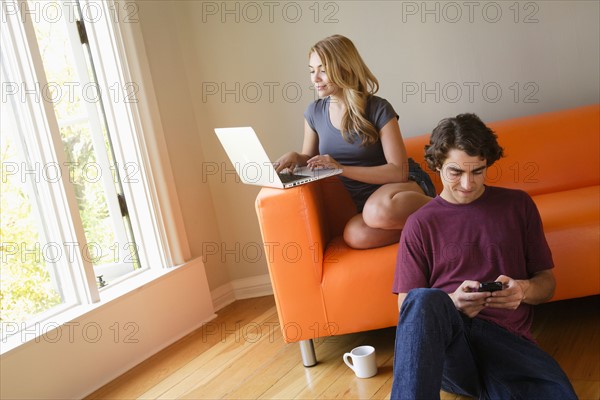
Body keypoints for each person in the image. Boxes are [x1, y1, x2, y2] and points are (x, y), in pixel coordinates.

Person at [390, 113, 577, 399]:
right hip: (451, 345)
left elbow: (547, 283)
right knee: (425, 297)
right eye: (456, 172)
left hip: (508, 343)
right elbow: (409, 308)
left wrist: (523, 290)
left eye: (477, 171)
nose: (467, 184)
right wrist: (453, 303)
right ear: (437, 164)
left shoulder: (518, 206)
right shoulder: (419, 224)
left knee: (560, 393)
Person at [275, 34, 435, 249]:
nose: (315, 78)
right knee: (354, 235)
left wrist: (341, 168)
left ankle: (447, 210)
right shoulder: (314, 112)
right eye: (312, 71)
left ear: (344, 67)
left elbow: (399, 171)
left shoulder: (378, 108)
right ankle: (432, 227)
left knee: (377, 211)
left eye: (323, 70)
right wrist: (297, 157)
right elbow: (310, 158)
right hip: (367, 205)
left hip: (400, 191)